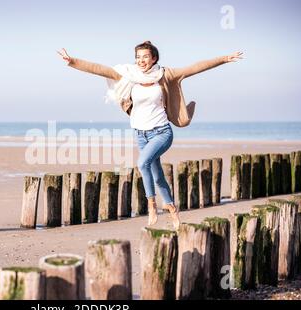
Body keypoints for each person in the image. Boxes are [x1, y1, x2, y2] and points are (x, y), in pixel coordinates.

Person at [57, 41, 243, 229]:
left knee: (142, 163)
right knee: (157, 175)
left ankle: (152, 206)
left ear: (154, 58)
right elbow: (99, 69)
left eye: (145, 56)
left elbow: (195, 68)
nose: (141, 60)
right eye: (138, 57)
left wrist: (224, 59)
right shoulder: (129, 75)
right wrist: (73, 61)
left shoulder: (165, 74)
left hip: (162, 132)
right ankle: (172, 210)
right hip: (141, 134)